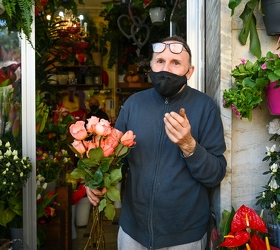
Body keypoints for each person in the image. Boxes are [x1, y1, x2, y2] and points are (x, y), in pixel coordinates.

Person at [86, 36, 227, 249]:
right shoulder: (134, 104)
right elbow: (114, 158)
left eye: (176, 63)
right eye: (160, 61)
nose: (166, 69)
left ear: (190, 72)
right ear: (150, 66)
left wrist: (189, 145)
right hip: (133, 233)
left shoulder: (205, 107)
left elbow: (215, 174)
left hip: (185, 237)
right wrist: (97, 181)